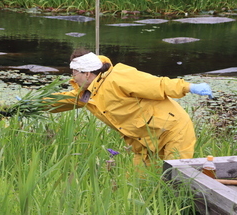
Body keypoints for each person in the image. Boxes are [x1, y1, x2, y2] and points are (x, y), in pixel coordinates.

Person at [49, 48, 213, 166]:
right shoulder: (88, 93)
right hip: (145, 142)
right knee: (137, 185)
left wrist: (188, 87)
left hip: (172, 131)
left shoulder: (118, 78)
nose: (72, 78)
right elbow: (65, 100)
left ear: (86, 73)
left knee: (175, 179)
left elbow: (157, 85)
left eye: (74, 73)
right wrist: (31, 103)